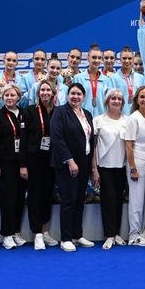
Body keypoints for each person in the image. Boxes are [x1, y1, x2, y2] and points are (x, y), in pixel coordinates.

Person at [51, 82, 96, 252]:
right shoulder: (60, 112)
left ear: (84, 97)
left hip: (83, 162)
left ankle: (77, 235)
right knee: (69, 201)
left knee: (79, 201)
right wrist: (70, 161)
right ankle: (66, 238)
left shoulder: (88, 114)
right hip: (66, 164)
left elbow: (89, 140)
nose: (76, 97)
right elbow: (57, 138)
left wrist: (91, 165)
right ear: (67, 95)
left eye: (79, 94)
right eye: (73, 93)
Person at [20, 80, 60, 250]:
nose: (45, 93)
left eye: (47, 90)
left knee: (46, 196)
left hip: (52, 161)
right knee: (35, 196)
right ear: (38, 93)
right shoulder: (28, 112)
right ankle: (37, 233)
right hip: (33, 161)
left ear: (53, 93)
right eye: (42, 90)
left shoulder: (58, 112)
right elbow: (22, 140)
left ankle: (44, 231)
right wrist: (23, 164)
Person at [0, 84, 28, 250]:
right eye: (6, 95)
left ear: (18, 97)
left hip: (22, 163)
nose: (9, 98)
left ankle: (16, 231)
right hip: (5, 164)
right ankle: (7, 234)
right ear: (2, 98)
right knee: (7, 199)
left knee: (20, 198)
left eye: (12, 95)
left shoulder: (25, 115)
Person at [92, 89, 129, 249]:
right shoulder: (98, 120)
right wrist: (94, 169)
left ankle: (117, 233)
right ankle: (109, 235)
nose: (116, 101)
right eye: (113, 98)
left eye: (119, 99)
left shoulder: (128, 121)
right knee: (108, 201)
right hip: (104, 167)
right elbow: (93, 147)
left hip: (121, 167)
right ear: (107, 101)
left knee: (119, 200)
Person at [125, 85, 145, 246]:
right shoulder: (134, 118)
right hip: (136, 162)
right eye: (142, 97)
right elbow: (128, 145)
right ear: (137, 99)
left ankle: (143, 230)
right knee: (137, 200)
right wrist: (133, 168)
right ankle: (134, 235)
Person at [107, 46, 145, 116]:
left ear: (133, 59)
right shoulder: (113, 78)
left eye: (130, 58)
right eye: (124, 58)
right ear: (120, 59)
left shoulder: (141, 78)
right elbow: (110, 100)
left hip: (137, 116)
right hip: (119, 117)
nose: (127, 61)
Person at [72, 44, 109, 117]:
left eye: (99, 58)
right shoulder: (78, 78)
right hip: (82, 118)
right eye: (94, 57)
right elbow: (73, 101)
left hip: (101, 119)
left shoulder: (106, 80)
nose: (96, 60)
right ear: (88, 58)